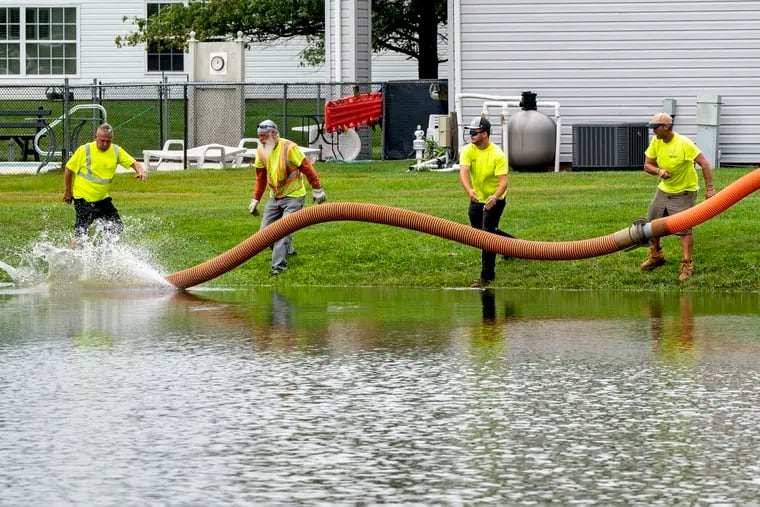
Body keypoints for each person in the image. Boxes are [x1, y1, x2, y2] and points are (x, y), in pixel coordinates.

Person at [640, 112, 716, 281]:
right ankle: (656, 255)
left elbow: (704, 163)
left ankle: (687, 264)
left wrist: (710, 189)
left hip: (684, 191)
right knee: (651, 224)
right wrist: (659, 171)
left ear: (666, 127)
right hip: (664, 190)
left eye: (656, 128)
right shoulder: (656, 142)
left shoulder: (684, 143)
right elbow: (647, 165)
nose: (653, 132)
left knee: (684, 228)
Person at [248, 119, 327, 277]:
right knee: (264, 235)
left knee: (282, 233)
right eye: (260, 137)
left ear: (275, 134)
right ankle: (287, 250)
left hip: (294, 197)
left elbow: (307, 167)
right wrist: (255, 199)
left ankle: (278, 270)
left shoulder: (289, 148)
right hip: (275, 197)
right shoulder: (261, 150)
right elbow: (261, 178)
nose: (262, 140)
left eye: (265, 136)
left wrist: (317, 189)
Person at [63, 123, 147, 247]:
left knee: (117, 227)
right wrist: (67, 191)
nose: (105, 144)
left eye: (108, 141)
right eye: (102, 140)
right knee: (81, 233)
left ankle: (104, 251)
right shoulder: (84, 150)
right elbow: (69, 169)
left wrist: (140, 171)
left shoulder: (116, 150)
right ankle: (73, 257)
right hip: (83, 199)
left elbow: (134, 162)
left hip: (102, 199)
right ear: (95, 137)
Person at [459, 116, 509, 288]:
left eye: (474, 132)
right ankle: (511, 246)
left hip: (495, 199)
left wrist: (494, 197)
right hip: (477, 198)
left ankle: (486, 276)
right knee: (478, 232)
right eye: (470, 131)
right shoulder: (468, 150)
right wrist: (469, 190)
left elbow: (504, 182)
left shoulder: (497, 154)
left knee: (487, 236)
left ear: (485, 134)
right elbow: (464, 172)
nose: (471, 135)